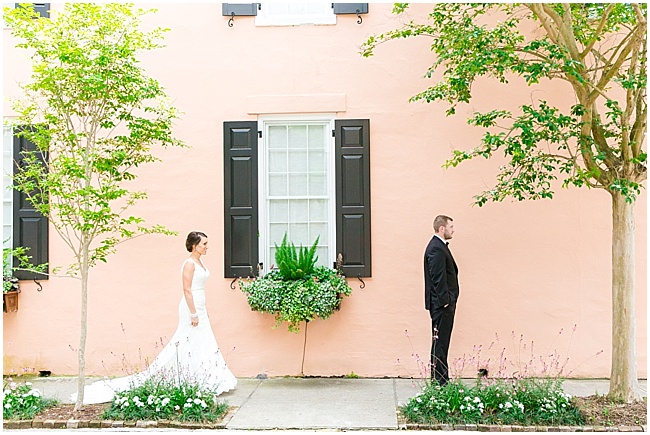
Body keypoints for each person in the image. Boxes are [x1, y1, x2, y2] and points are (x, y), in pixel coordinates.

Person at [72, 231, 237, 404]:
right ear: (194, 246)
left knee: (202, 341)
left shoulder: (199, 262)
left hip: (200, 306)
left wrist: (202, 309)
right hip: (191, 307)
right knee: (186, 340)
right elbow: (187, 290)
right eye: (204, 244)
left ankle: (202, 377)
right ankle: (178, 375)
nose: (207, 247)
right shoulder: (189, 264)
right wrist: (194, 313)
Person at [423, 215, 459, 386]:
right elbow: (438, 278)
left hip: (443, 304)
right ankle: (440, 382)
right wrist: (446, 302)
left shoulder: (438, 246)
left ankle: (439, 379)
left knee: (440, 342)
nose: (453, 230)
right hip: (442, 306)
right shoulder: (436, 248)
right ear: (442, 228)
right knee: (441, 343)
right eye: (451, 226)